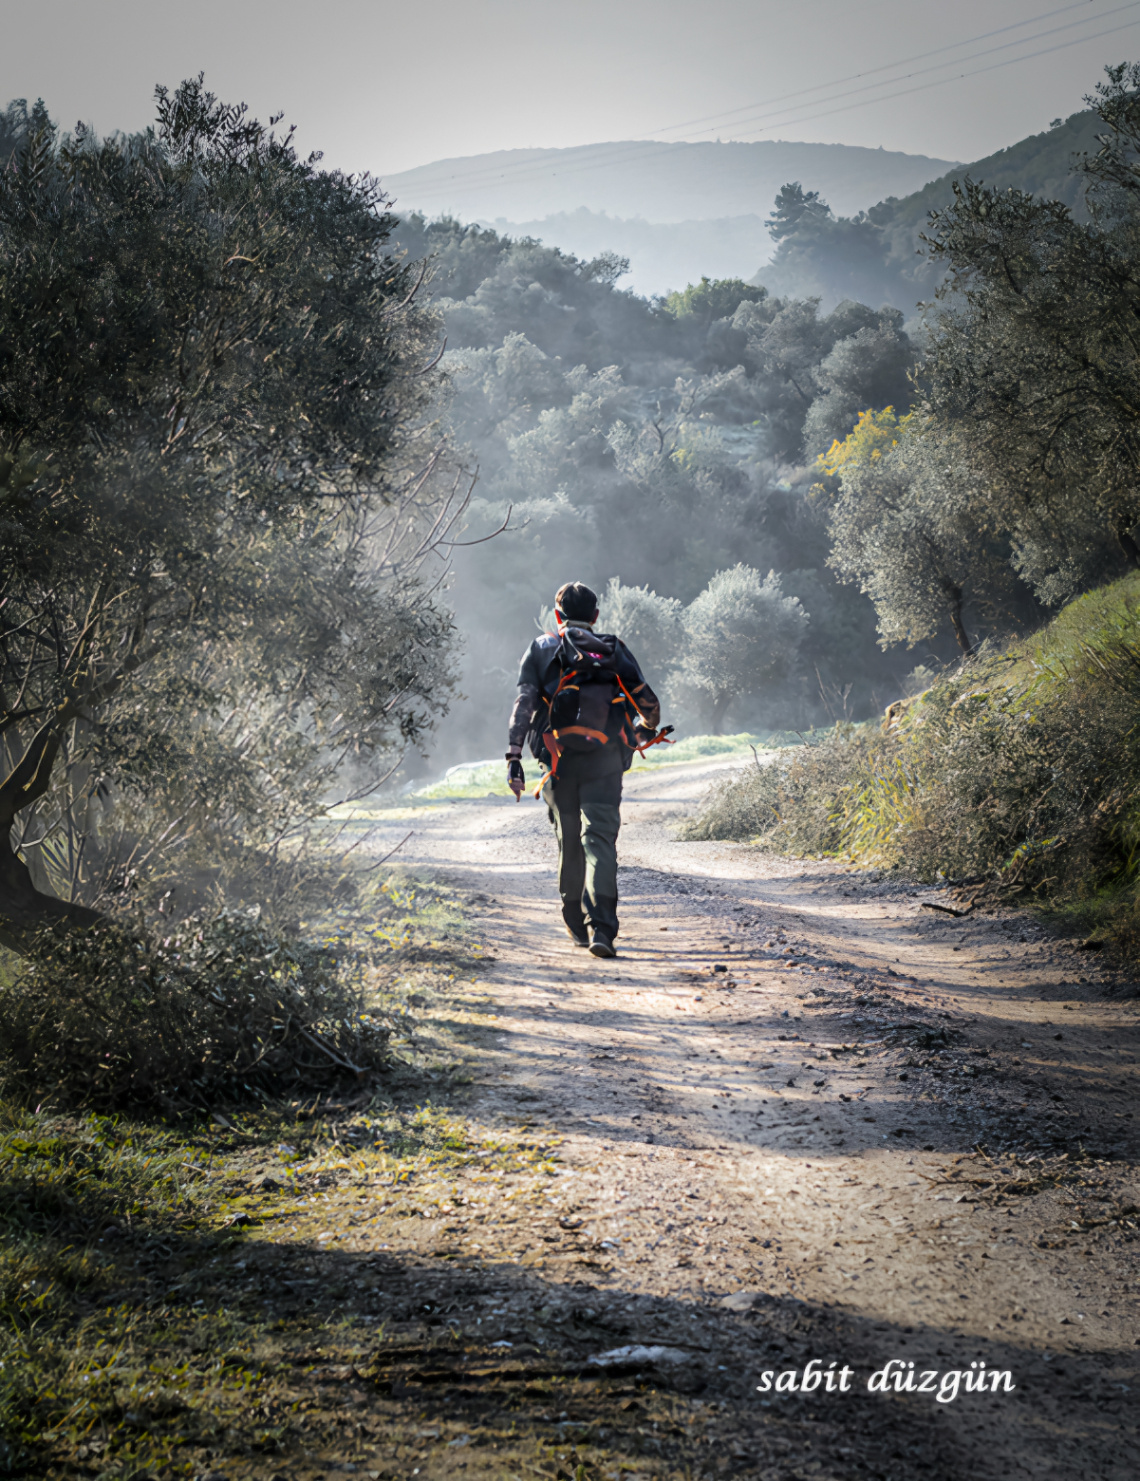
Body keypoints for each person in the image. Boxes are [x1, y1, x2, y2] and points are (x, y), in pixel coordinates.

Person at [505, 581, 662, 957]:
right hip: (606, 761)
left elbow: (524, 704)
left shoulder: (542, 649)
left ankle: (575, 923)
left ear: (557, 616)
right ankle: (602, 929)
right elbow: (649, 705)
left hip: (556, 759)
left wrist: (514, 757)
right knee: (599, 839)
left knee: (570, 837)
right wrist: (645, 731)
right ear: (595, 617)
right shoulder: (613, 649)